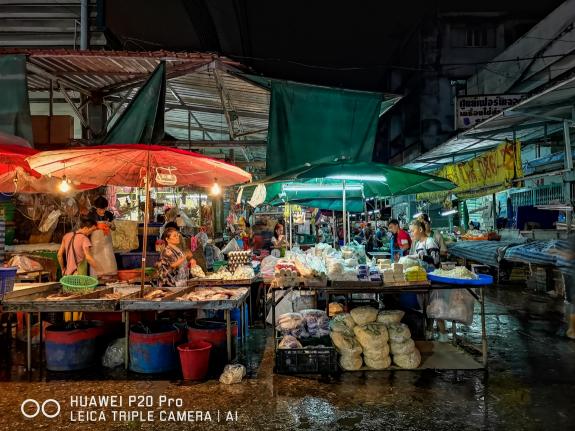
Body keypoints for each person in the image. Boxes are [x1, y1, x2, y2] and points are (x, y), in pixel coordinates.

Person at [408, 219, 447, 342]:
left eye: (412, 231)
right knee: (427, 308)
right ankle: (429, 332)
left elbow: (435, 261)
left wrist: (420, 256)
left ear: (420, 230)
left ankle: (443, 335)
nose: (411, 233)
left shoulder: (430, 242)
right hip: (423, 279)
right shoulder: (418, 244)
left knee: (436, 307)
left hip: (433, 279)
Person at [89, 196, 117, 277]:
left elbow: (114, 228)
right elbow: (87, 230)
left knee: (108, 258)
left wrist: (110, 224)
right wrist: (97, 226)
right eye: (100, 209)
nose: (102, 211)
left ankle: (108, 278)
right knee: (96, 258)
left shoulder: (109, 214)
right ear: (96, 207)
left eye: (104, 209)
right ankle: (96, 277)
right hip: (95, 241)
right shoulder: (91, 215)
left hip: (106, 240)